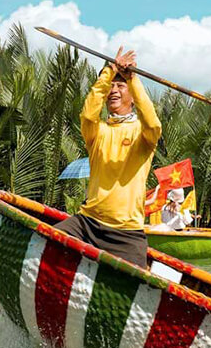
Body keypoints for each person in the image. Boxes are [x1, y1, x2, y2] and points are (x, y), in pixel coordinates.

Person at [54, 47, 162, 267]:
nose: (114, 90)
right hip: (87, 223)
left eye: (120, 85)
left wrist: (132, 78)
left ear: (131, 95)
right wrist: (109, 72)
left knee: (134, 287)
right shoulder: (98, 131)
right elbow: (87, 114)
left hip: (126, 232)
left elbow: (153, 122)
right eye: (111, 86)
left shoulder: (144, 134)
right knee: (45, 242)